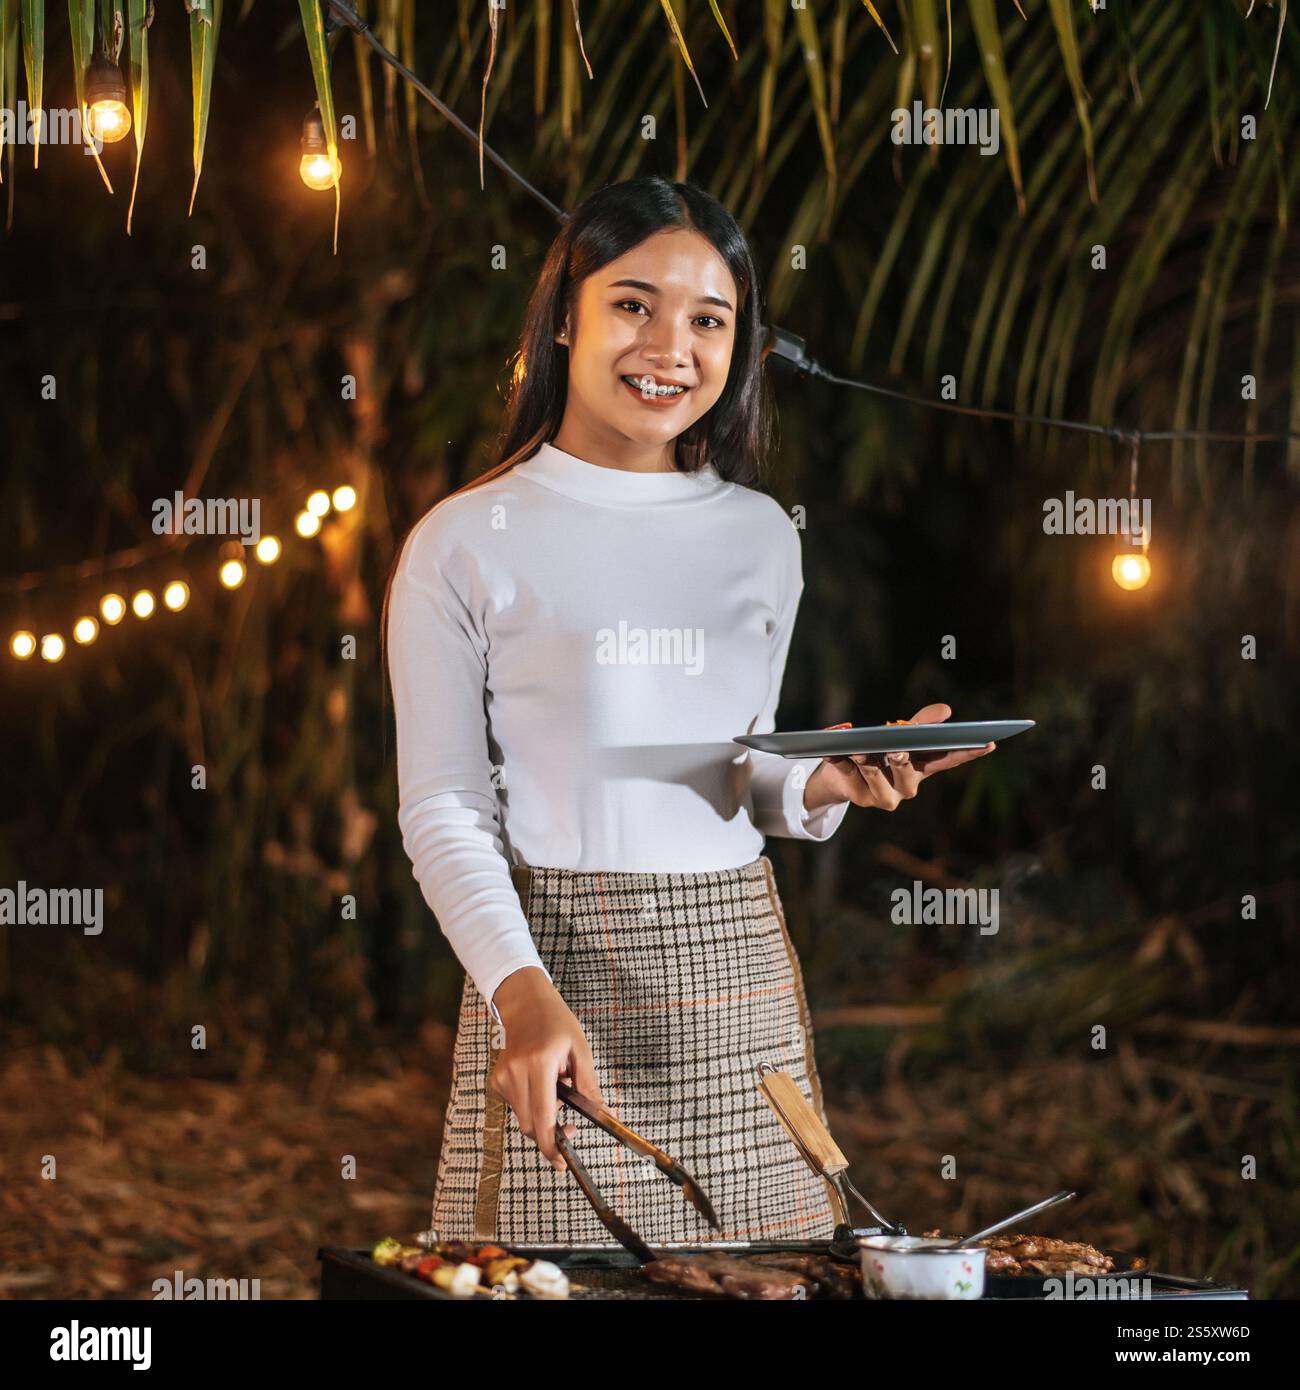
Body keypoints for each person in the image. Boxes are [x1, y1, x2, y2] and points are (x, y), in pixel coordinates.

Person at [384, 176, 994, 1246]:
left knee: (769, 1272)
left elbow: (732, 772)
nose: (670, 345)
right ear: (564, 313)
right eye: (633, 303)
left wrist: (823, 781)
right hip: (551, 967)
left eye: (709, 319)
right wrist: (518, 993)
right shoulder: (464, 538)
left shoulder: (761, 535)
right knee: (548, 1272)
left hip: (736, 967)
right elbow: (442, 804)